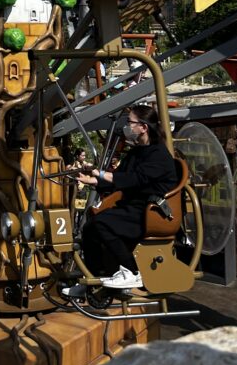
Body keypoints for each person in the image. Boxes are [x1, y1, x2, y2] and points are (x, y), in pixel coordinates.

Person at [73, 104, 178, 290]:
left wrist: (99, 173)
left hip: (151, 211)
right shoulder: (136, 152)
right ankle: (94, 278)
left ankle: (132, 272)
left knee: (102, 224)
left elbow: (133, 179)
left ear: (143, 127)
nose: (127, 127)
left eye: (130, 122)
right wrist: (92, 180)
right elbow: (119, 177)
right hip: (132, 207)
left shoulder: (159, 155)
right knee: (90, 227)